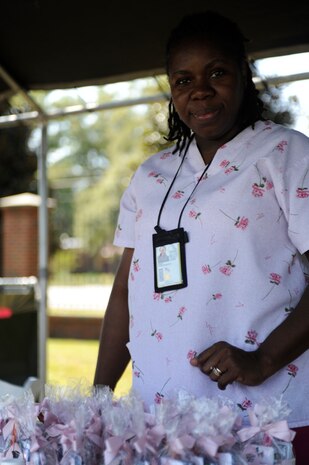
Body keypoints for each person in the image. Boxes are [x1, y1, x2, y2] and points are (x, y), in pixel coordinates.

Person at [94, 10, 309, 462]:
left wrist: (264, 358)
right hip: (159, 417)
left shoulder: (287, 153)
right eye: (183, 80)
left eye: (217, 72)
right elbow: (124, 292)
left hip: (266, 417)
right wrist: (97, 395)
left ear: (244, 75)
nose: (200, 91)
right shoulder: (151, 175)